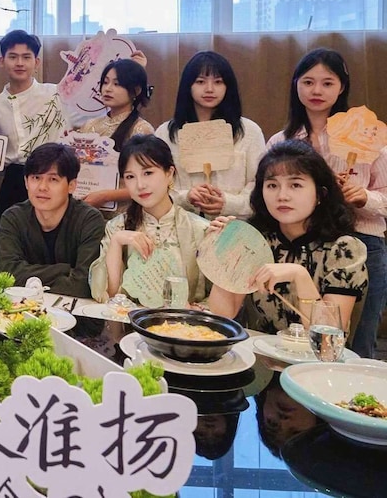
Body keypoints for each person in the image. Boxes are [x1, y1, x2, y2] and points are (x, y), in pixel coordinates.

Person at [266, 48, 386, 358]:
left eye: (327, 83)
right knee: (306, 336)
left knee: (359, 342)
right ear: (296, 85)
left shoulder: (368, 136)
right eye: (308, 82)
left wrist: (365, 197)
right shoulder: (282, 141)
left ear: (342, 87)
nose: (316, 90)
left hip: (363, 239)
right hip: (308, 245)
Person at [207, 140, 368, 343]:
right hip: (261, 355)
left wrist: (299, 276)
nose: (282, 196)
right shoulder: (256, 241)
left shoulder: (344, 249)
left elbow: (328, 340)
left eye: (295, 185)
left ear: (320, 194)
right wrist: (227, 250)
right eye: (272, 185)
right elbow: (222, 315)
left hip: (315, 360)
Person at [89, 135, 235, 306]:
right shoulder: (117, 227)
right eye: (130, 177)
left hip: (184, 322)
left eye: (148, 173)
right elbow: (108, 296)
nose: (140, 185)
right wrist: (116, 242)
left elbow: (218, 303)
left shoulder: (200, 229)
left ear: (169, 174)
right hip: (129, 321)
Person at [154, 51, 265, 219]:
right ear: (188, 86)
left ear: (228, 86)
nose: (209, 89)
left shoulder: (249, 132)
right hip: (181, 224)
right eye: (200, 81)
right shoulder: (165, 133)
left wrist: (228, 203)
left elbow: (259, 184)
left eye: (218, 82)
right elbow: (156, 184)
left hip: (235, 226)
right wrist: (186, 197)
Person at [0, 30, 71, 217]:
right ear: (2, 61)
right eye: (13, 57)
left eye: (26, 57)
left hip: (55, 176)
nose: (20, 63)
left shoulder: (57, 94)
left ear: (36, 62)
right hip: (14, 183)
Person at [0, 143, 105, 297]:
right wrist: (64, 270)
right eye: (36, 178)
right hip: (23, 308)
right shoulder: (13, 218)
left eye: (53, 179)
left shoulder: (89, 220)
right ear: (26, 182)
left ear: (71, 185)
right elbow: (7, 275)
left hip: (76, 310)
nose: (42, 187)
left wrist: (28, 278)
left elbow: (84, 284)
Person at [78, 58, 154, 214]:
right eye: (105, 82)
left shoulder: (141, 129)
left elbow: (149, 182)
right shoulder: (89, 125)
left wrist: (105, 196)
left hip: (125, 213)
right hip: (87, 210)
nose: (108, 89)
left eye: (117, 84)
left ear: (136, 91)